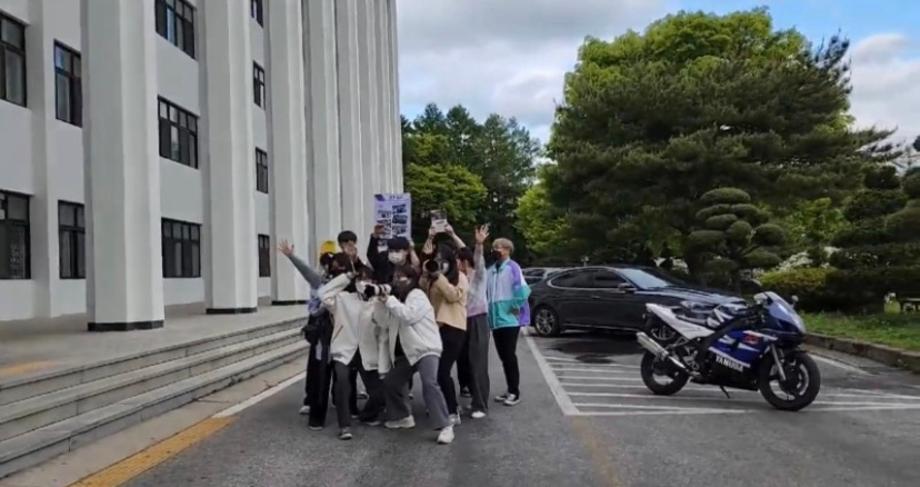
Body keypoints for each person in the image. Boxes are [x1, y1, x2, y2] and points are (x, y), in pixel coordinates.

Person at [374, 265, 455, 444]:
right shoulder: (397, 300)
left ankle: (445, 426)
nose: (397, 281)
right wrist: (379, 301)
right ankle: (402, 416)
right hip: (410, 351)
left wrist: (389, 300)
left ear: (411, 279)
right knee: (391, 381)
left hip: (426, 348)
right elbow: (382, 322)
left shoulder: (417, 295)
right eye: (395, 277)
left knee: (429, 383)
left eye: (401, 277)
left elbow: (409, 316)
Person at [319, 253, 386, 440]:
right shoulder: (343, 299)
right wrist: (346, 277)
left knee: (380, 392)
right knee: (342, 383)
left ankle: (367, 416)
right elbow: (323, 294)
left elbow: (384, 322)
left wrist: (380, 297)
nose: (365, 284)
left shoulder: (376, 303)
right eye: (361, 280)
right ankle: (344, 425)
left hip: (366, 351)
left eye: (368, 280)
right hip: (344, 349)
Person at [420, 244, 468, 426]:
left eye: (443, 261)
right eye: (436, 260)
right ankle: (440, 405)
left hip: (453, 327)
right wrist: (426, 271)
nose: (439, 264)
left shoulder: (460, 277)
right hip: (435, 328)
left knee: (442, 371)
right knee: (434, 373)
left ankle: (452, 410)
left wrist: (439, 276)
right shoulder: (432, 279)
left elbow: (453, 296)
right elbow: (421, 289)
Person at [486, 237, 531, 407]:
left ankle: (514, 391)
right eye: (494, 247)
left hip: (509, 321)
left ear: (507, 250)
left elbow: (523, 290)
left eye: (498, 247)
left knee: (509, 356)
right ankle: (509, 388)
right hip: (495, 320)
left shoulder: (512, 267)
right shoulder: (491, 270)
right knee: (503, 356)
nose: (495, 250)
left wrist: (514, 307)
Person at [457, 225, 491, 418]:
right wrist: (452, 234)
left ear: (463, 262)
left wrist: (479, 244)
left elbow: (477, 259)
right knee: (467, 362)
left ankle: (481, 405)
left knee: (478, 363)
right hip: (463, 321)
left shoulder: (478, 274)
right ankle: (474, 401)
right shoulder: (460, 277)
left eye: (457, 260)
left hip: (478, 320)